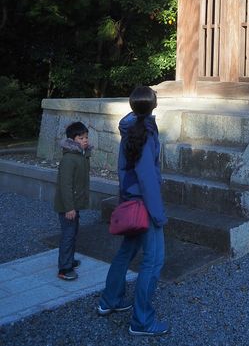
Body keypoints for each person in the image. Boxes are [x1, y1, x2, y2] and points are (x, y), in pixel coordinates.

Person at [98, 85, 168, 337]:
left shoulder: (129, 129)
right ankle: (142, 320)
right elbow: (147, 177)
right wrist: (158, 214)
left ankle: (111, 299)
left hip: (130, 200)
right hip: (145, 205)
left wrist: (124, 199)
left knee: (127, 251)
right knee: (154, 260)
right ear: (153, 105)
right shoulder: (146, 132)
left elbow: (124, 170)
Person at [54, 120, 91, 280]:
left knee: (73, 232)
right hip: (67, 206)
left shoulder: (81, 156)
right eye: (81, 138)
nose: (85, 140)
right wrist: (69, 208)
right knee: (68, 234)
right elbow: (65, 185)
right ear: (72, 140)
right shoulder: (69, 159)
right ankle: (64, 268)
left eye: (86, 137)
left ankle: (68, 259)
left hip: (73, 205)